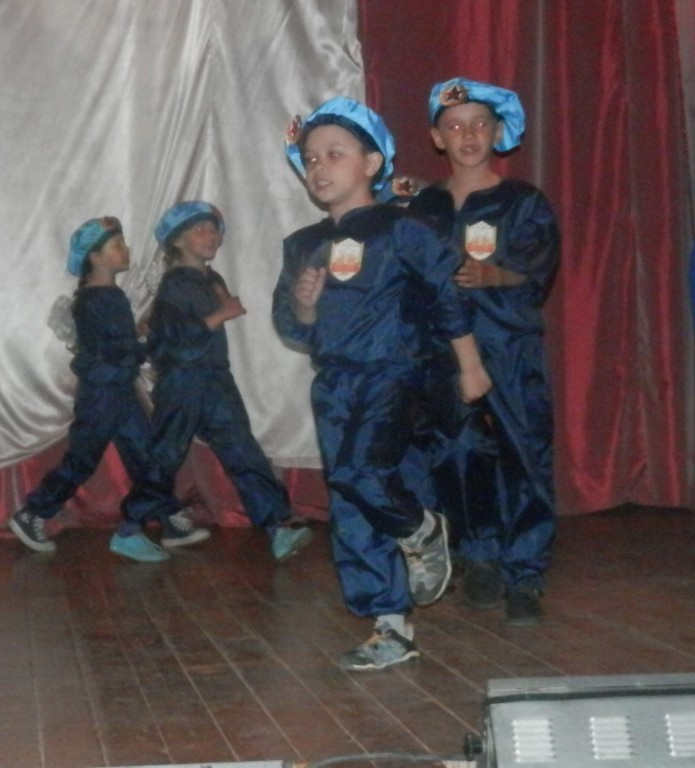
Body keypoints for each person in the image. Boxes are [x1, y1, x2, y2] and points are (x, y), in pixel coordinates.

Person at [272, 98, 492, 670]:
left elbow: (447, 296)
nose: (320, 167)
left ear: (371, 163)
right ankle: (390, 626)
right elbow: (292, 326)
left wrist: (470, 365)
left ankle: (421, 529)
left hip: (396, 372)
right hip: (335, 384)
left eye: (335, 154)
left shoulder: (403, 228)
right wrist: (306, 306)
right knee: (351, 502)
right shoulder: (302, 244)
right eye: (310, 158)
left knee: (359, 472)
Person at [407, 78, 560, 626]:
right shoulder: (423, 205)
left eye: (479, 124)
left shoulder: (522, 201)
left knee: (524, 455)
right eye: (454, 126)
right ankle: (479, 556)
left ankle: (525, 573)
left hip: (508, 348)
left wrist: (494, 274)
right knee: (456, 453)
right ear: (437, 137)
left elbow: (537, 266)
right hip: (443, 352)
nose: (468, 135)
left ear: (498, 132)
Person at [9, 217, 208, 563]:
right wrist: (152, 343)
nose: (126, 250)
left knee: (146, 455)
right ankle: (34, 513)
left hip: (117, 389)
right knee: (83, 459)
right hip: (103, 394)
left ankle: (169, 517)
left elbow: (117, 343)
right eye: (117, 245)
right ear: (96, 257)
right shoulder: (97, 299)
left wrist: (139, 338)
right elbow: (113, 349)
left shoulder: (105, 296)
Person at [146, 201, 313, 562]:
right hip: (182, 381)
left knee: (241, 448)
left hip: (213, 377)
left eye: (215, 229)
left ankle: (277, 525)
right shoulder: (176, 283)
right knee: (165, 455)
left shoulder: (211, 278)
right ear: (177, 241)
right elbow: (172, 343)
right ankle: (130, 526)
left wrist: (221, 305)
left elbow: (218, 314)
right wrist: (220, 314)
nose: (212, 236)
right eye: (200, 229)